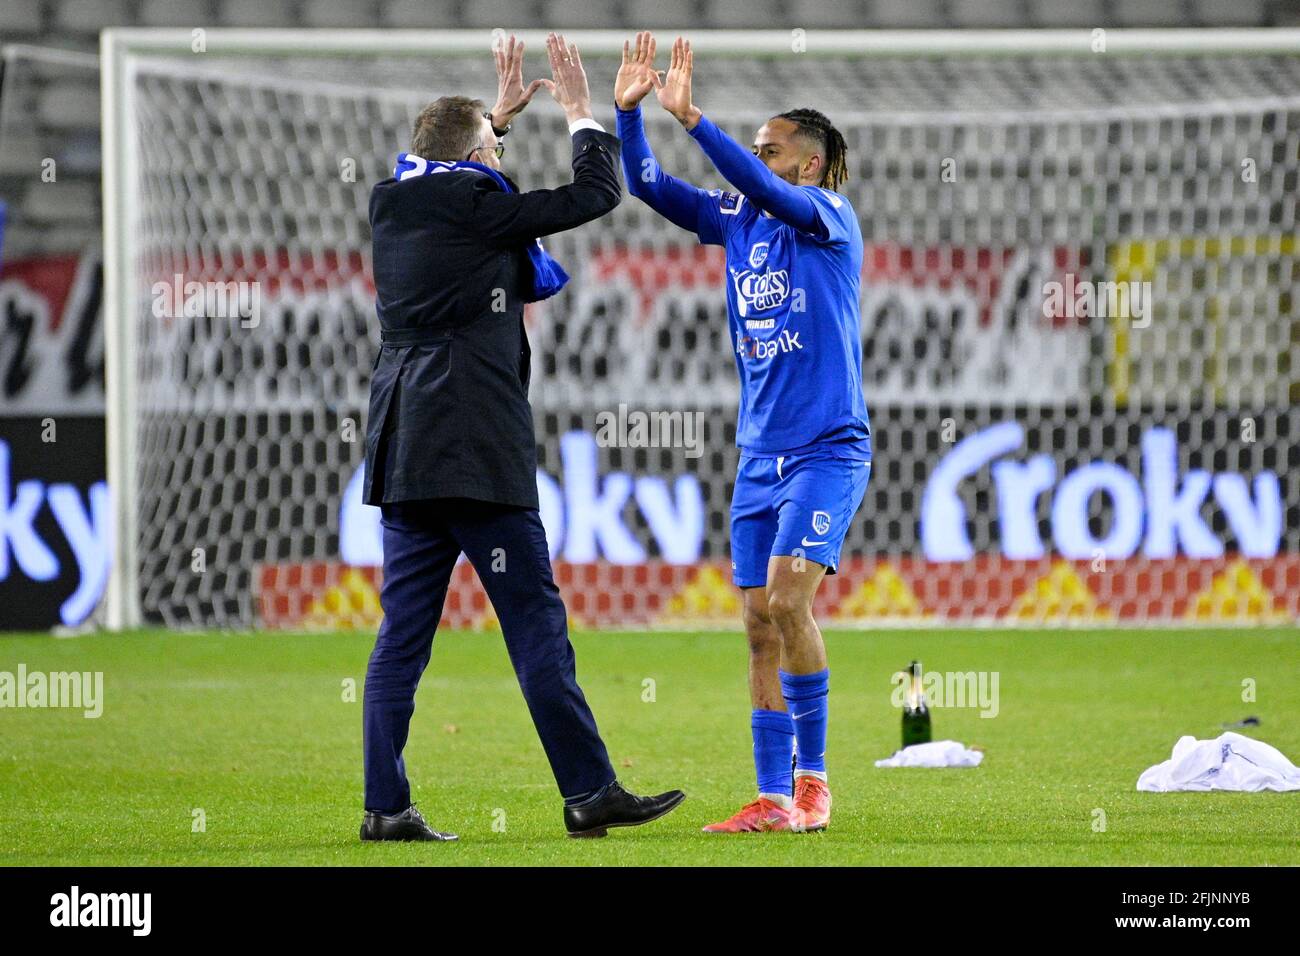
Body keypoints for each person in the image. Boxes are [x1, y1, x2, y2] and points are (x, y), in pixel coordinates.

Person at [360, 33, 684, 842]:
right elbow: (593, 195)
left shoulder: (391, 201)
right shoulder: (480, 204)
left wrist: (490, 120)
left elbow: (439, 167)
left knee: (401, 639)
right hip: (475, 452)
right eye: (494, 148)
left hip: (402, 449)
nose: (501, 157)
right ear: (475, 158)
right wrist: (581, 113)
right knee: (536, 629)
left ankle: (385, 807)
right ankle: (588, 791)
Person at [615, 33, 871, 833]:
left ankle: (814, 783)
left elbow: (758, 184)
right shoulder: (738, 219)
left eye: (771, 150)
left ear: (810, 164)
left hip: (828, 449)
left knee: (791, 600)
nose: (758, 160)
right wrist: (628, 117)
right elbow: (649, 185)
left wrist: (696, 122)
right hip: (759, 455)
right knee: (758, 622)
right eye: (754, 148)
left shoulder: (827, 216)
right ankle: (769, 798)